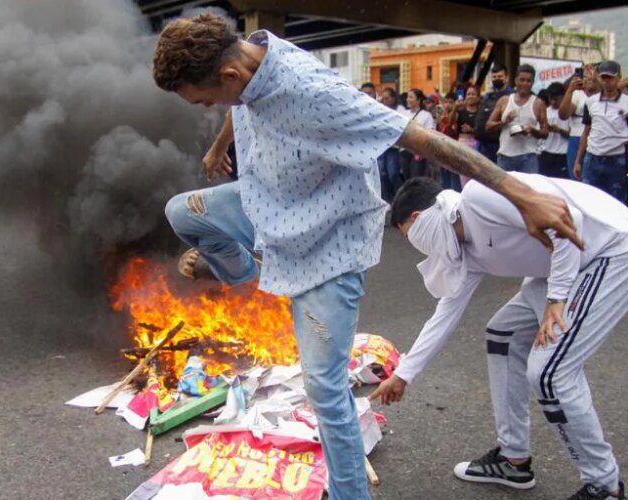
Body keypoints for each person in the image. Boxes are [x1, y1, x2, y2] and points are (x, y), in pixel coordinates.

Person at [153, 14, 582, 499]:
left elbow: (424, 140)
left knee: (324, 389)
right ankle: (246, 270)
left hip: (326, 240)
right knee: (183, 213)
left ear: (229, 77)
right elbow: (240, 106)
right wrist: (218, 148)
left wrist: (521, 194)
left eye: (207, 99)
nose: (210, 106)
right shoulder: (250, 55)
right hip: (267, 202)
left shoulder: (313, 94)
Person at [371, 175, 628, 500]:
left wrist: (556, 299)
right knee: (502, 334)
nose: (415, 245)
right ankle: (514, 460)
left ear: (418, 217)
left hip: (618, 250)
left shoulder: (480, 197)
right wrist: (404, 375)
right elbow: (445, 314)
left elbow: (568, 220)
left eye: (410, 236)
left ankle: (605, 486)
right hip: (573, 266)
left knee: (549, 373)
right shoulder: (466, 252)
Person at [573, 61, 628, 202]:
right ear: (599, 78)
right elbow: (586, 132)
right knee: (589, 202)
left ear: (619, 77)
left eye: (610, 78)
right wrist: (578, 160)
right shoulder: (591, 102)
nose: (607, 82)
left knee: (616, 203)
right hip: (592, 158)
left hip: (617, 160)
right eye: (604, 78)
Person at [486, 64, 549, 173]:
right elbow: (488, 126)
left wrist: (532, 130)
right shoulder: (504, 101)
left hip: (528, 156)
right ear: (516, 81)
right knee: (503, 189)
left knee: (529, 189)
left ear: (532, 83)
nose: (525, 84)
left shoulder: (538, 103)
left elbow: (545, 132)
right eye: (522, 80)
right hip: (505, 155)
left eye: (528, 81)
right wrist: (504, 122)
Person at [559, 66, 600, 179]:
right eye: (585, 76)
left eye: (591, 76)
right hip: (576, 139)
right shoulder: (578, 94)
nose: (588, 79)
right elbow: (563, 115)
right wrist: (570, 90)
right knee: (575, 177)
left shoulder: (604, 95)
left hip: (596, 140)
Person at [475, 64, 514, 163]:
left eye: (500, 77)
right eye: (494, 77)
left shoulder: (512, 97)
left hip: (503, 147)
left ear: (506, 78)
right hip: (485, 148)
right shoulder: (487, 97)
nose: (497, 79)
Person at [449, 85, 481, 190]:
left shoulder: (480, 113)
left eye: (473, 94)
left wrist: (471, 130)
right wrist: (455, 107)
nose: (470, 96)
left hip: (476, 144)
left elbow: (483, 129)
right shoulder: (461, 112)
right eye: (468, 94)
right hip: (462, 143)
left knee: (476, 175)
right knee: (463, 175)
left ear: (478, 97)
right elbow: (449, 122)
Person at [377, 87, 405, 202]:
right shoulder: (380, 109)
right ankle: (387, 200)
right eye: (383, 99)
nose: (384, 101)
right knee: (381, 174)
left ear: (393, 98)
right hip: (381, 147)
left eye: (387, 98)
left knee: (393, 173)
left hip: (394, 147)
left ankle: (400, 198)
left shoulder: (400, 109)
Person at [539, 82, 571, 178]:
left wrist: (559, 130)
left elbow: (572, 135)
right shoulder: (545, 111)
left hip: (561, 154)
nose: (553, 102)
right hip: (546, 152)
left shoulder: (568, 112)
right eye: (551, 99)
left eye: (556, 100)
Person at [404, 88, 437, 179]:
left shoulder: (426, 115)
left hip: (418, 152)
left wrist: (422, 151)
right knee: (406, 179)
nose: (408, 99)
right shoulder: (404, 114)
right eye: (407, 97)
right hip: (404, 151)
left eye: (411, 97)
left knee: (416, 178)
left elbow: (431, 134)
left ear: (419, 100)